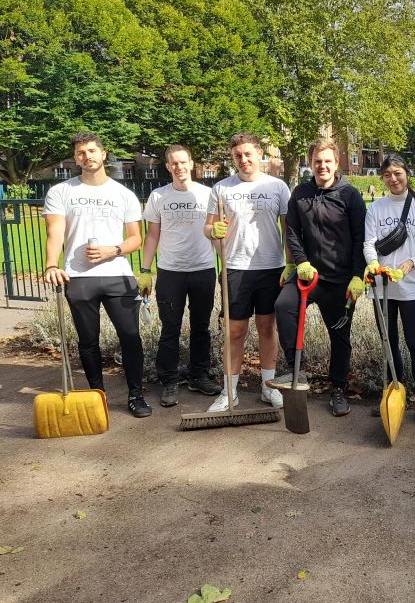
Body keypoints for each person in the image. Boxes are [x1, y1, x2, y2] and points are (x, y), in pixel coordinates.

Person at [42, 132, 150, 417]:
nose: (86, 156)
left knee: (130, 336)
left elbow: (135, 239)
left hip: (118, 274)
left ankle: (136, 395)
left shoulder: (123, 194)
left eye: (92, 151)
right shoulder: (61, 191)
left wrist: (112, 250)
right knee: (88, 340)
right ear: (75, 158)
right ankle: (96, 396)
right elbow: (55, 232)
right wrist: (52, 264)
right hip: (78, 277)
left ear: (103, 154)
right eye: (80, 152)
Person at [274, 138, 366, 417]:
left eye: (328, 161)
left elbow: (361, 236)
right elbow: (292, 232)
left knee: (339, 336)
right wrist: (299, 263)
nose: (322, 166)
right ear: (310, 163)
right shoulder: (300, 193)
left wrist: (357, 275)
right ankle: (296, 369)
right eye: (317, 161)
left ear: (336, 163)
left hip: (339, 280)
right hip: (308, 277)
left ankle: (338, 389)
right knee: (283, 306)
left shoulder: (349, 194)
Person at [205, 133, 291, 412]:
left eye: (248, 154)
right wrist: (212, 231)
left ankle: (269, 388)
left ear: (259, 154)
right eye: (237, 156)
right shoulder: (221, 188)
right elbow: (208, 227)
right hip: (236, 268)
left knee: (267, 327)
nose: (243, 160)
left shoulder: (278, 187)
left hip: (271, 267)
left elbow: (288, 231)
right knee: (235, 331)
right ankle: (229, 392)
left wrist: (291, 264)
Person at [138, 145, 221, 407]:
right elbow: (152, 235)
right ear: (168, 166)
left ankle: (199, 375)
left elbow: (216, 232)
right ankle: (170, 380)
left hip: (203, 269)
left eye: (183, 162)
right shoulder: (158, 196)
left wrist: (225, 262)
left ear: (192, 163)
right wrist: (145, 270)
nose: (179, 167)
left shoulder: (208, 194)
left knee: (201, 327)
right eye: (174, 163)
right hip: (171, 272)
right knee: (170, 329)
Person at [363, 154, 415, 426]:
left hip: (411, 288)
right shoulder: (376, 209)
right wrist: (373, 265)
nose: (393, 179)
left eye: (397, 173)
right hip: (382, 288)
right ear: (382, 178)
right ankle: (395, 392)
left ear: (406, 173)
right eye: (387, 175)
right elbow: (369, 243)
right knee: (389, 342)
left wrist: (410, 263)